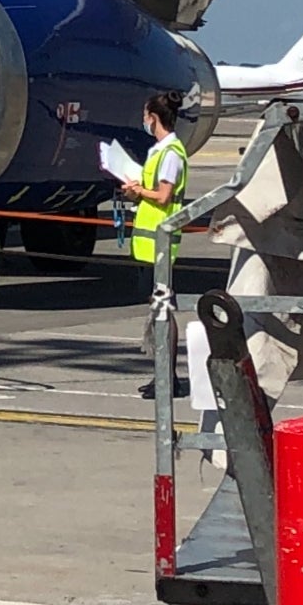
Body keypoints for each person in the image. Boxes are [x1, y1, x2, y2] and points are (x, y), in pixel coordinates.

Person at [118, 90, 189, 397]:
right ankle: (163, 374)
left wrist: (139, 189)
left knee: (163, 309)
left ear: (153, 117)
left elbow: (163, 195)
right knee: (156, 308)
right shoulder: (159, 150)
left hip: (160, 242)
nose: (144, 120)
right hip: (149, 241)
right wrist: (136, 192)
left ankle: (168, 377)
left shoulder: (171, 153)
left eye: (146, 115)